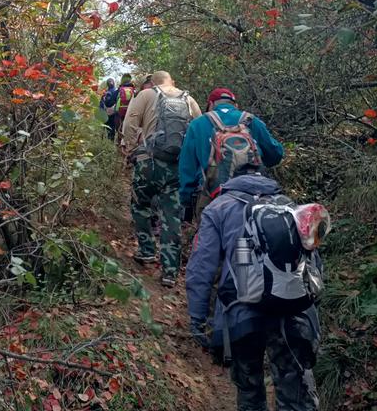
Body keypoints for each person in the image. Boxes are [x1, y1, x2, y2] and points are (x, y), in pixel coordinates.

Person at [186, 168, 323, 411]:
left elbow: (202, 267)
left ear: (229, 178)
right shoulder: (289, 206)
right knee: (295, 400)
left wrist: (197, 319)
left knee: (251, 393)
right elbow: (313, 266)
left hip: (241, 317)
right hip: (292, 316)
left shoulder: (218, 209)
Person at [122, 71, 202, 286]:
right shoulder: (189, 99)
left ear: (153, 82)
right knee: (171, 216)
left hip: (148, 163)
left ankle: (147, 250)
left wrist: (131, 149)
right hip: (176, 167)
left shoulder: (146, 95)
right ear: (172, 81)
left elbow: (129, 124)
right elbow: (199, 131)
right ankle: (170, 271)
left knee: (140, 206)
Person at [179, 87, 284, 222]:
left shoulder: (197, 124)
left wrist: (186, 200)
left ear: (211, 105)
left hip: (214, 197)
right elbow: (276, 155)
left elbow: (187, 168)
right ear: (235, 105)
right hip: (254, 195)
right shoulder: (252, 121)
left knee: (212, 233)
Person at [114, 73, 136, 142]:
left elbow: (110, 102)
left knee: (119, 129)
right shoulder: (134, 90)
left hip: (119, 113)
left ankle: (119, 143)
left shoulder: (119, 90)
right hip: (131, 112)